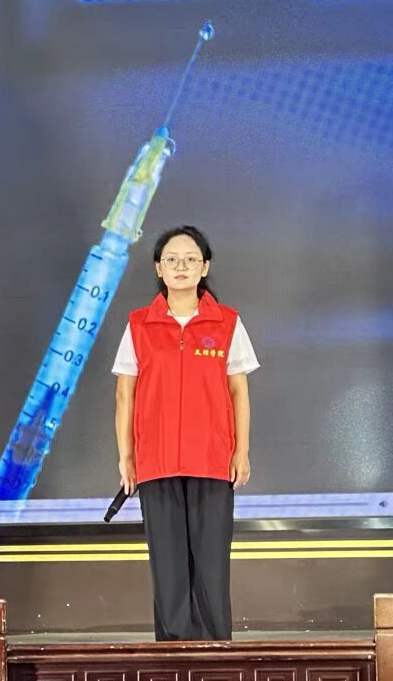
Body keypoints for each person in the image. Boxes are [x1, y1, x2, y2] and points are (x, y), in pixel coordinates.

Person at [112, 225, 257, 642]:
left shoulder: (227, 322)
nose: (181, 266)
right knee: (168, 567)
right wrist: (127, 456)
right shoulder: (138, 325)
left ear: (204, 267)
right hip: (156, 462)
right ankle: (173, 655)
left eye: (191, 259)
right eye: (172, 259)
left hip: (211, 459)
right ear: (158, 268)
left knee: (211, 566)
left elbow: (238, 391)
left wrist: (241, 451)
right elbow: (124, 395)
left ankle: (216, 654)